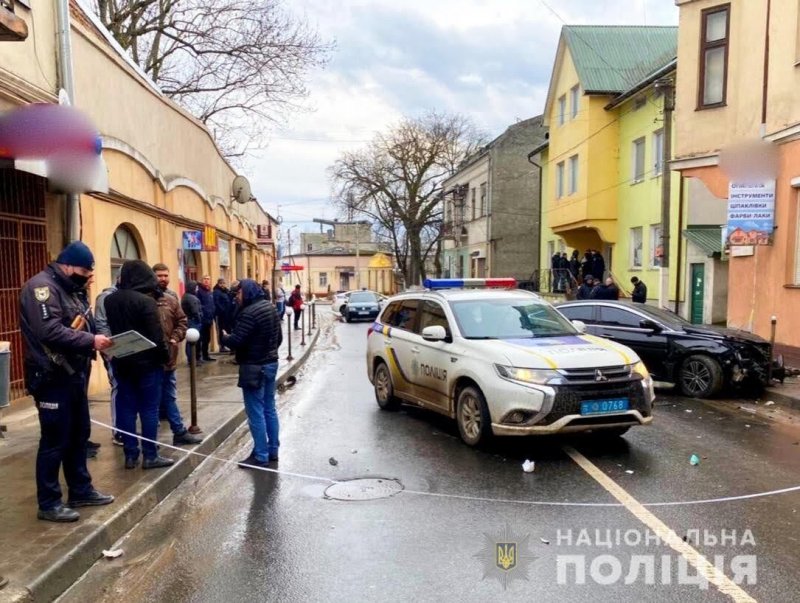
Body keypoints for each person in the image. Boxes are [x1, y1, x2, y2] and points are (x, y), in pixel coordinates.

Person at [19, 241, 115, 522]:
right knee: (54, 440)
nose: (88, 277)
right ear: (69, 265)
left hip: (74, 374)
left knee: (78, 434)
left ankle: (81, 490)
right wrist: (91, 340)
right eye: (85, 271)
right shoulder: (42, 289)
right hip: (51, 375)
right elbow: (48, 330)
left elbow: (84, 322)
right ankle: (49, 503)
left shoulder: (71, 289)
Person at [105, 260, 173, 470]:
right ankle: (150, 455)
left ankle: (130, 455)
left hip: (122, 361)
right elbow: (156, 336)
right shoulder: (146, 302)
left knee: (126, 409)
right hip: (147, 364)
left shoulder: (110, 300)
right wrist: (164, 358)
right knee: (149, 410)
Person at [221, 279, 283, 469]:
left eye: (239, 293)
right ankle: (272, 451)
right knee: (269, 409)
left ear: (247, 292)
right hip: (271, 363)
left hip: (253, 368)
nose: (237, 297)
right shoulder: (269, 307)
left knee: (256, 412)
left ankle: (260, 455)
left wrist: (224, 337)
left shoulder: (249, 313)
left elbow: (237, 341)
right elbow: (279, 338)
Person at [153, 264, 203, 446]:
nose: (163, 278)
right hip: (151, 359)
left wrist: (175, 338)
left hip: (169, 357)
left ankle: (179, 432)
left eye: (166, 275)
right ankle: (151, 440)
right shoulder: (145, 298)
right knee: (151, 400)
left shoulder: (172, 298)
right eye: (159, 275)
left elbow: (182, 321)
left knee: (170, 395)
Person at [94, 278, 122, 446]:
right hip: (113, 351)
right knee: (117, 387)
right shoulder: (105, 297)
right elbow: (101, 324)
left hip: (125, 350)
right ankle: (118, 431)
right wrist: (109, 351)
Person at [181, 280, 203, 364]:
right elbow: (195, 311)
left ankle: (192, 359)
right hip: (193, 321)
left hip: (190, 320)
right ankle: (192, 359)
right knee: (193, 341)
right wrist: (199, 318)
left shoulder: (185, 296)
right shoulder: (192, 298)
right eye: (196, 287)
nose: (197, 289)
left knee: (191, 341)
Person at [197, 275, 216, 361]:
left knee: (207, 339)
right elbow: (198, 305)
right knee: (200, 339)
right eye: (204, 279)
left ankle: (206, 355)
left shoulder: (209, 292)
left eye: (208, 279)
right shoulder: (199, 291)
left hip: (209, 319)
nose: (206, 281)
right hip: (202, 319)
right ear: (201, 280)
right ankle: (198, 357)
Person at [213, 278, 231, 353]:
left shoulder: (225, 291)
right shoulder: (216, 292)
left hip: (226, 314)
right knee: (220, 329)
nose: (224, 285)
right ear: (219, 284)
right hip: (220, 315)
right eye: (222, 283)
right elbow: (216, 303)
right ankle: (221, 346)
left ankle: (225, 345)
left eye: (224, 283)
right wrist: (222, 310)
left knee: (225, 329)